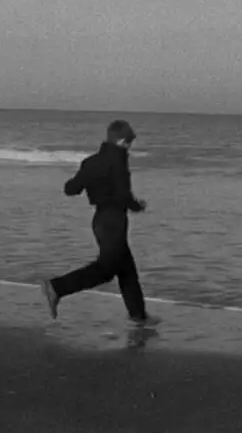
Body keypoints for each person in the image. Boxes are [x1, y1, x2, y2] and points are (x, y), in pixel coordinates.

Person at [40, 120, 160, 327]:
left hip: (100, 221)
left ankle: (138, 316)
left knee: (126, 270)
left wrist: (86, 180)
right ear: (121, 141)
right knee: (106, 270)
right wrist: (137, 205)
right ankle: (57, 287)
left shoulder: (91, 162)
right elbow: (122, 194)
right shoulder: (118, 160)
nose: (129, 147)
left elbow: (71, 189)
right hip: (114, 221)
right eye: (129, 142)